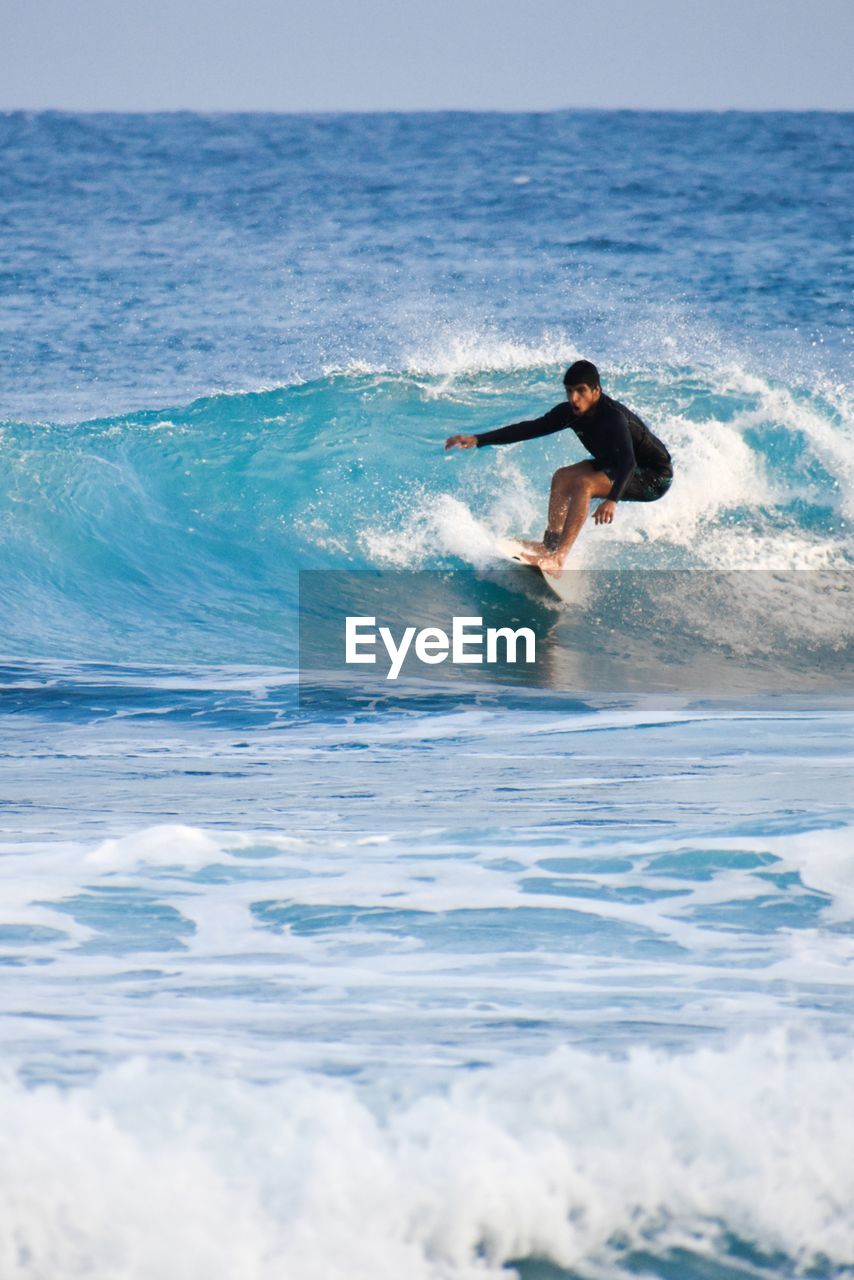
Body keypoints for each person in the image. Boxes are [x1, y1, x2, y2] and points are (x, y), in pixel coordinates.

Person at [444, 360, 673, 572]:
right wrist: (479, 439)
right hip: (615, 463)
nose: (574, 398)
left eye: (581, 390)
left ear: (596, 391)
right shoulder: (570, 414)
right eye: (569, 390)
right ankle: (550, 546)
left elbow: (629, 462)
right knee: (562, 477)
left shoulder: (614, 418)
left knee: (585, 484)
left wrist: (612, 499)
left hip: (653, 475)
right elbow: (528, 429)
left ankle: (558, 558)